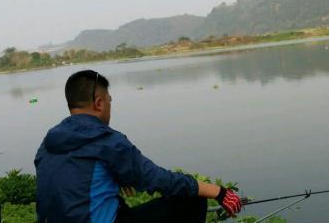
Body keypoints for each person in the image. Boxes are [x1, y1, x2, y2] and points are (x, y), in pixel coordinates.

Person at [35, 70, 242, 223]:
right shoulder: (106, 140)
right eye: (109, 100)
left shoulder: (49, 142)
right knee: (192, 201)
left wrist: (118, 175)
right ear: (99, 103)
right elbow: (159, 179)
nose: (109, 105)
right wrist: (219, 192)